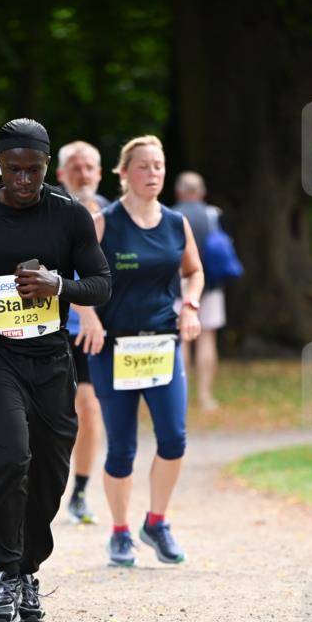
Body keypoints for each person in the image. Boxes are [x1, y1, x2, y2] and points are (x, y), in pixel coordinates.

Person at [0, 118, 111, 622]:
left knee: (48, 473)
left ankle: (29, 570)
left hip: (52, 361)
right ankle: (3, 574)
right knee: (10, 456)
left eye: (33, 170)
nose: (23, 180)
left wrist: (58, 284)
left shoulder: (69, 215)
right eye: (14, 170)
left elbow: (101, 283)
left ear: (45, 166)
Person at [90, 135, 203, 567]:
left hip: (160, 341)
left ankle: (156, 522)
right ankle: (119, 532)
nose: (153, 173)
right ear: (123, 173)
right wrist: (91, 317)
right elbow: (76, 275)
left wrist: (189, 306)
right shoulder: (105, 222)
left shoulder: (177, 223)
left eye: (158, 166)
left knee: (174, 438)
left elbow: (194, 272)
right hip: (112, 345)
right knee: (121, 447)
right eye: (143, 166)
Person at [56, 141, 110, 524]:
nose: (83, 173)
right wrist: (84, 309)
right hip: (57, 326)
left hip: (101, 331)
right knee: (49, 414)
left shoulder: (116, 214)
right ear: (60, 174)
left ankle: (79, 492)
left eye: (90, 166)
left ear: (101, 173)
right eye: (75, 167)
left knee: (90, 409)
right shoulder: (49, 214)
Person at [173, 171, 227, 411]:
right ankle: (205, 396)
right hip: (211, 284)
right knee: (207, 337)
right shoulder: (213, 214)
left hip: (179, 285)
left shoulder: (171, 214)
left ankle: (181, 396)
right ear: (202, 192)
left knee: (182, 338)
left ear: (179, 191)